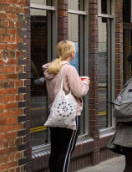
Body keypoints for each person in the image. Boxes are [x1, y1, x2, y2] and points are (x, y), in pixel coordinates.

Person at [44, 40, 89, 172]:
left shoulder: (51, 69)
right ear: (70, 52)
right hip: (69, 115)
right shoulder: (69, 69)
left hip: (54, 114)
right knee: (66, 151)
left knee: (55, 150)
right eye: (74, 49)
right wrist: (85, 83)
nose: (75, 51)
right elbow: (79, 91)